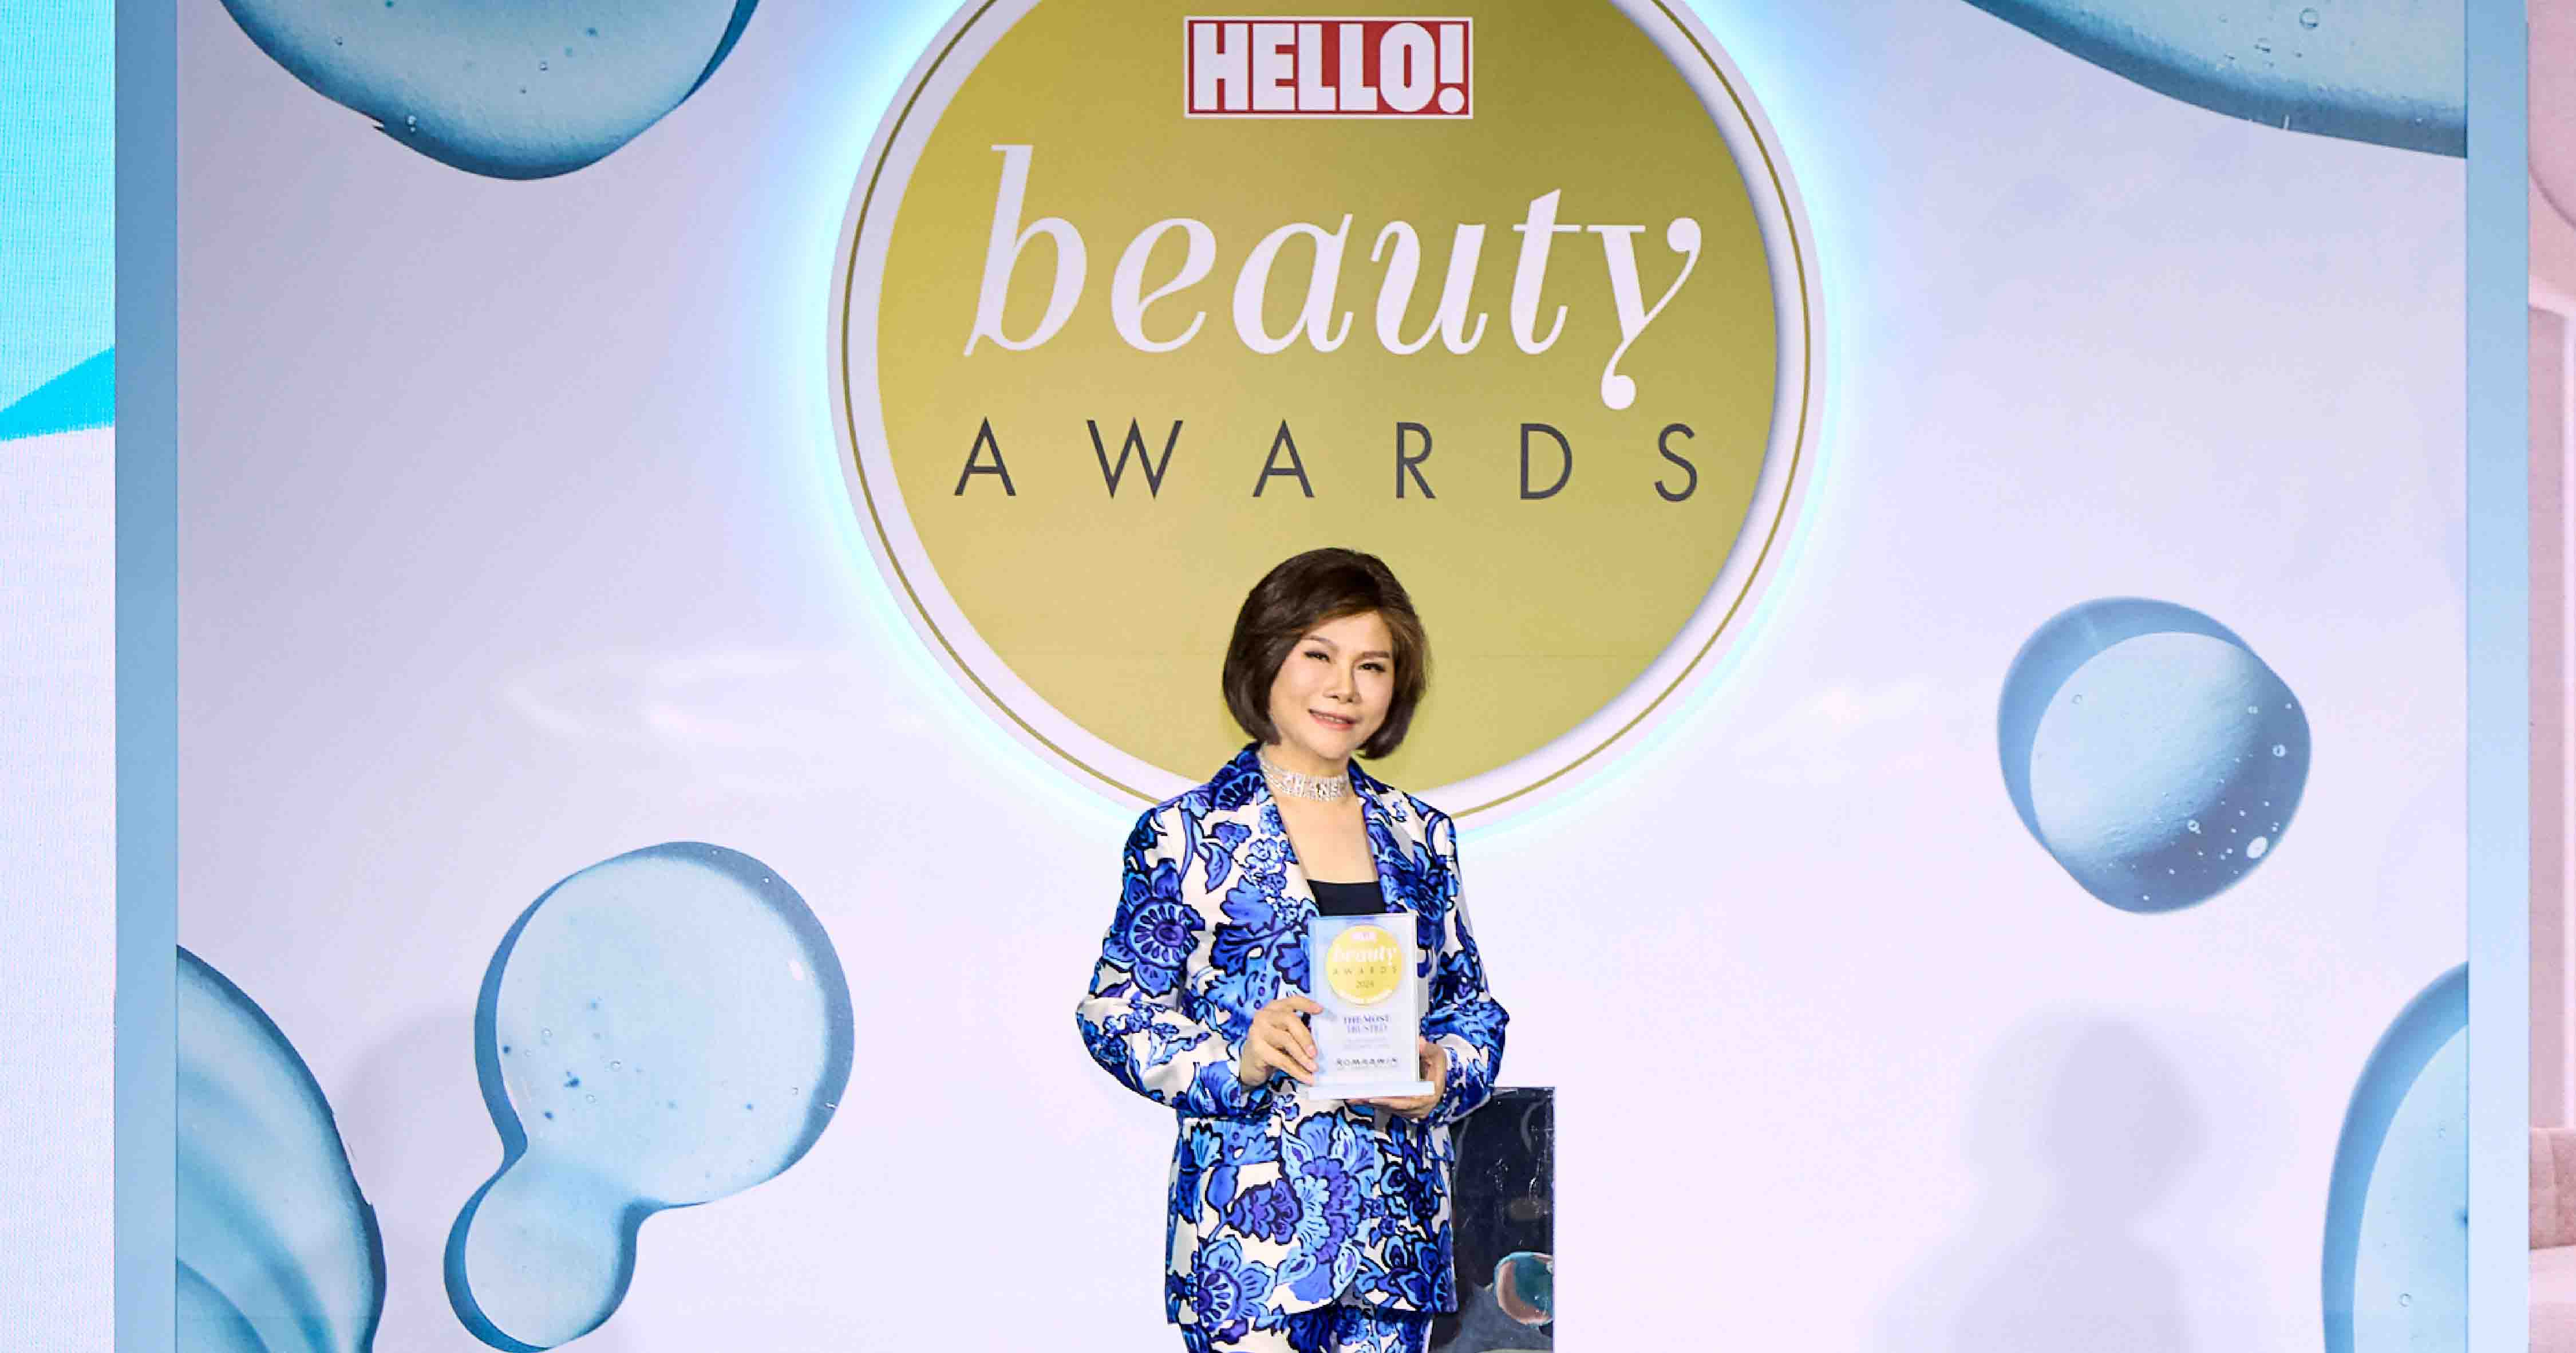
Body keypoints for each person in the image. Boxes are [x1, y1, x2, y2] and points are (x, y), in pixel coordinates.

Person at [1077, 547, 1510, 1353]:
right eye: (1319, 656)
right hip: (1249, 1243)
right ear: (1266, 657)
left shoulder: (1421, 837)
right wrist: (1237, 1058)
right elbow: (1115, 1012)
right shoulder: (1188, 834)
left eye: (1372, 666)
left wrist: (1443, 1074)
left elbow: (1471, 1009)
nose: (1345, 688)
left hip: (1396, 1244)